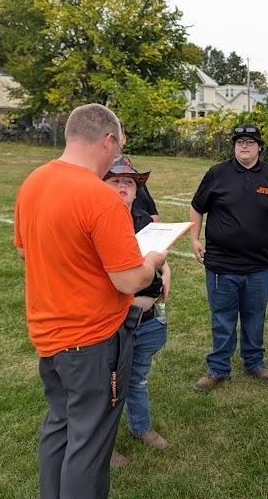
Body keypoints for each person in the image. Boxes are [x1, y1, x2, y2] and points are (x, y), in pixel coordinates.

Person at [14, 103, 168, 499]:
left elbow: (25, 250)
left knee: (61, 427)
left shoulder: (34, 181)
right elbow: (129, 280)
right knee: (90, 444)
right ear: (108, 141)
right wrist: (151, 261)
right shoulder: (101, 198)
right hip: (93, 341)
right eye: (118, 148)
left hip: (50, 337)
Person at [189, 123, 268, 391]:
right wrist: (194, 239)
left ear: (259, 147)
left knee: (254, 316)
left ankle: (254, 362)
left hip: (260, 265)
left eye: (250, 142)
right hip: (221, 265)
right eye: (239, 142)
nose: (244, 146)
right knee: (222, 318)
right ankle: (218, 367)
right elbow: (197, 207)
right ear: (234, 146)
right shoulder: (217, 173)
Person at [103, 161, 172, 466]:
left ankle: (140, 427)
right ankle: (103, 446)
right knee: (109, 386)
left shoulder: (144, 219)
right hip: (111, 324)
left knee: (139, 378)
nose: (122, 187)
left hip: (145, 320)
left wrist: (166, 270)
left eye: (129, 183)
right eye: (115, 180)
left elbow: (157, 255)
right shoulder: (98, 221)